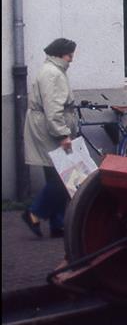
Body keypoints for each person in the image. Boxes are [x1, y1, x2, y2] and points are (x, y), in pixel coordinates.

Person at [21, 38, 78, 238]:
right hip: (50, 129)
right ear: (61, 54)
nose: (71, 59)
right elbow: (54, 108)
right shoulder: (54, 74)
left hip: (44, 126)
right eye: (70, 55)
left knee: (56, 175)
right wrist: (63, 134)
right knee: (62, 178)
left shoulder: (51, 70)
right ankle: (34, 213)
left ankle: (58, 224)